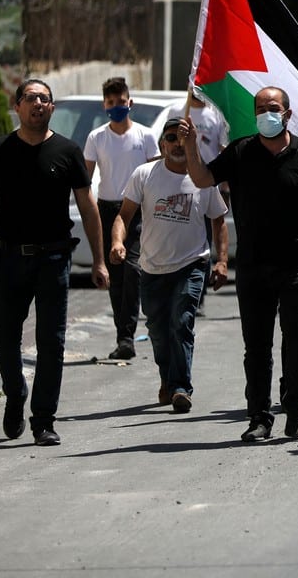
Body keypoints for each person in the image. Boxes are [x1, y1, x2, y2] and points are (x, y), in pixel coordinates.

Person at [183, 86, 298, 442]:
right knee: (257, 346)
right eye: (260, 108)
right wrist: (191, 146)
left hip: (297, 264)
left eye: (273, 107)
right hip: (253, 266)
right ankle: (259, 417)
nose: (266, 113)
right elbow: (203, 178)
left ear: (286, 113)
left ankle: (295, 408)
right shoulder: (241, 151)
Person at [0, 79, 110, 446]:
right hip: (9, 258)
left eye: (45, 99)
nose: (38, 104)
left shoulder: (68, 151)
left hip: (54, 259)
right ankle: (16, 393)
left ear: (52, 108)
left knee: (52, 342)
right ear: (17, 106)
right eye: (30, 98)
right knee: (3, 341)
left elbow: (89, 208)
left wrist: (99, 260)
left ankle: (43, 420)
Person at [110, 118, 229, 413]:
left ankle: (180, 387)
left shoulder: (202, 179)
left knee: (181, 320)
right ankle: (168, 379)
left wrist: (223, 261)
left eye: (184, 138)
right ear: (162, 144)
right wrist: (117, 242)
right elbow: (123, 216)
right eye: (172, 138)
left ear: (193, 144)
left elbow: (218, 220)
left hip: (192, 263)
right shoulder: (144, 174)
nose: (178, 143)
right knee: (158, 331)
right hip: (152, 267)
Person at [83, 77, 159, 360]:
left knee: (133, 269)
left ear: (130, 103)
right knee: (114, 274)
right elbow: (85, 179)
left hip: (138, 211)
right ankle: (124, 337)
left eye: (121, 101)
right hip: (107, 210)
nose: (116, 107)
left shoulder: (146, 136)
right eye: (111, 102)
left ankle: (140, 325)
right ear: (105, 105)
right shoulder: (97, 137)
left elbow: (155, 175)